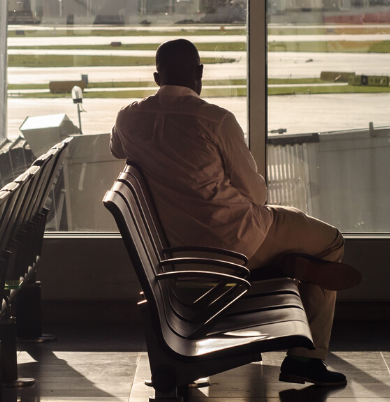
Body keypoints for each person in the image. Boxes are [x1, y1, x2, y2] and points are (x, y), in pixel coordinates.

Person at [109, 39, 361, 387]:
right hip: (240, 240)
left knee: (288, 233)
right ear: (199, 75)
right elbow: (256, 194)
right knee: (330, 242)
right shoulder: (215, 120)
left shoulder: (128, 118)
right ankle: (307, 357)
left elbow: (116, 148)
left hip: (178, 251)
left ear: (156, 77)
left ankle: (290, 264)